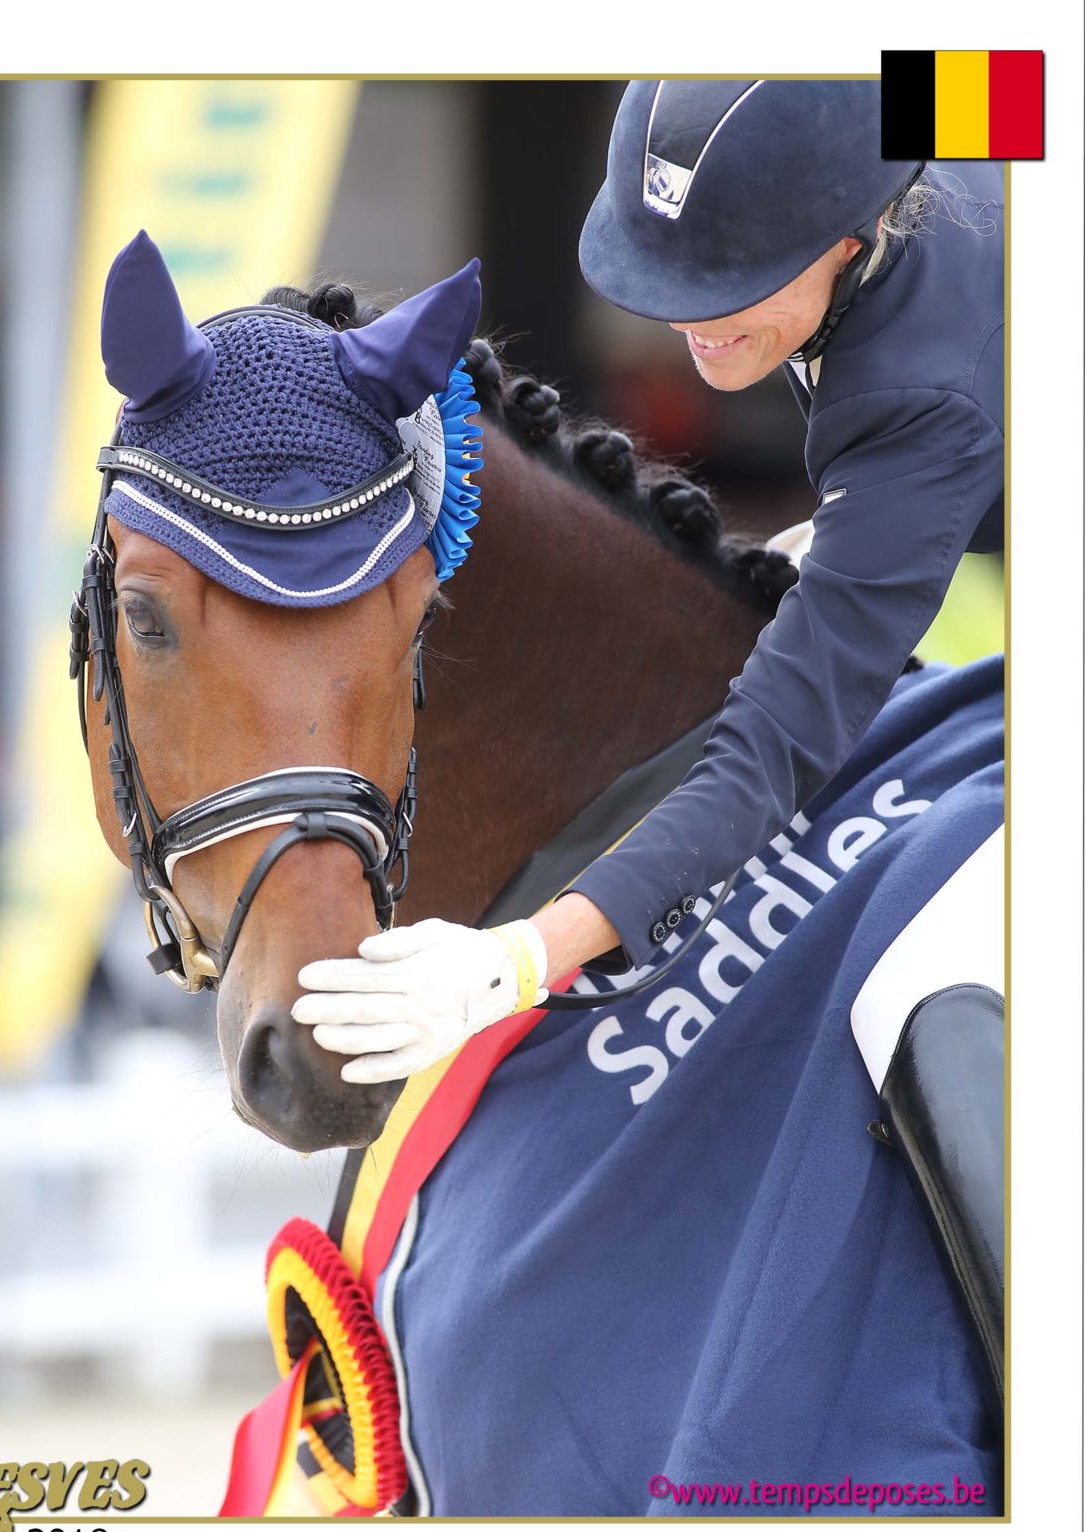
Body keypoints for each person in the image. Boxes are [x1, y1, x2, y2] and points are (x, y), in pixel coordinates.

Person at [291, 78, 1003, 1082]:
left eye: (731, 277)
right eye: (672, 274)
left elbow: (771, 750)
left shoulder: (922, 404)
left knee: (926, 991)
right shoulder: (902, 98)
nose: (690, 319)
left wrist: (521, 957)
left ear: (851, 239)